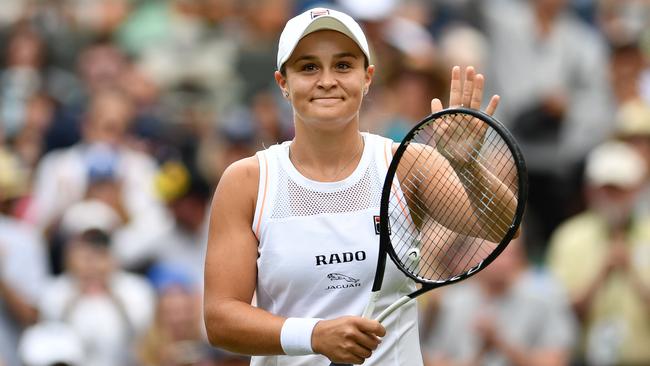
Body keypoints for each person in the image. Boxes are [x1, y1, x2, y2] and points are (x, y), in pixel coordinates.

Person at [203, 7, 511, 366]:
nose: (327, 80)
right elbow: (220, 319)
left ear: (367, 78)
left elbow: (503, 227)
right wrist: (315, 336)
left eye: (343, 65)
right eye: (308, 67)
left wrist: (468, 165)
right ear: (282, 83)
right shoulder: (247, 181)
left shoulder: (408, 164)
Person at [547, 141, 650, 365]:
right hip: (585, 359)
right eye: (604, 188)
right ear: (589, 190)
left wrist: (631, 270)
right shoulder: (569, 237)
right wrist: (602, 272)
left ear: (635, 190)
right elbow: (559, 313)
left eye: (618, 189)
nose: (610, 197)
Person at [420, 235, 577, 366]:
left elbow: (556, 361)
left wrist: (500, 343)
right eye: (495, 253)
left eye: (510, 253)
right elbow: (433, 360)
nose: (504, 260)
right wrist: (480, 354)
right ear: (474, 257)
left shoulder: (546, 293)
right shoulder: (453, 300)